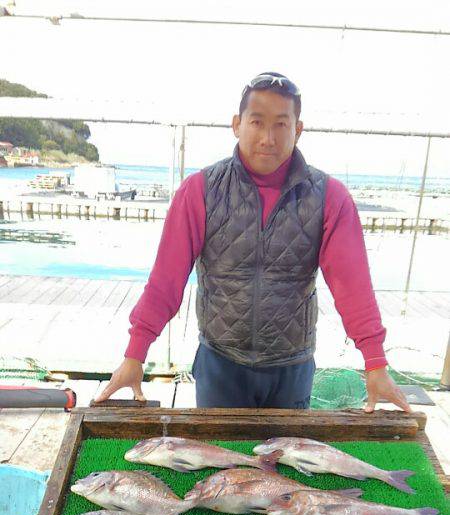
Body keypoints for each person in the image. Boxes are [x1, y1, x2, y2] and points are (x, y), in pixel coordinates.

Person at [96, 71, 411, 413]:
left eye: (281, 124)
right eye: (257, 122)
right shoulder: (200, 191)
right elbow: (165, 283)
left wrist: (375, 363)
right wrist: (135, 354)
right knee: (221, 463)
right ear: (237, 123)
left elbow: (354, 289)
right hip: (221, 363)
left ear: (298, 130)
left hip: (291, 367)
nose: (267, 138)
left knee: (286, 466)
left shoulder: (329, 197)